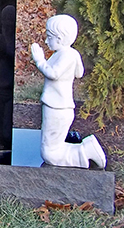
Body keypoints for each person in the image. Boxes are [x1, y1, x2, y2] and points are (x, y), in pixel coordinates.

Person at [31, 14, 106, 168]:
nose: (46, 41)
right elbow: (79, 72)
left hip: (56, 107)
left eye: (49, 37)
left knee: (50, 153)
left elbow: (53, 74)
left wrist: (39, 60)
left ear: (59, 38)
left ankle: (86, 151)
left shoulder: (65, 55)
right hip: (60, 107)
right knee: (52, 147)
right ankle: (86, 149)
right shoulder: (72, 54)